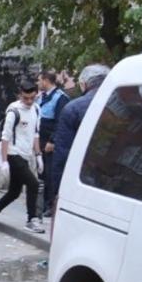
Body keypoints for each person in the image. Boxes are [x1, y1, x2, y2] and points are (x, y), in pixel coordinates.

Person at [0, 81, 45, 234]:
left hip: (26, 154)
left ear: (36, 95)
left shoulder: (36, 109)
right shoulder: (13, 111)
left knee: (14, 192)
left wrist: (38, 155)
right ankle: (32, 220)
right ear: (20, 95)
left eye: (32, 98)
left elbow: (35, 134)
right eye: (25, 98)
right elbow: (5, 137)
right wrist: (4, 162)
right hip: (12, 154)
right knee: (33, 184)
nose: (29, 102)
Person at [48, 64, 110, 209]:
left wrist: (56, 192)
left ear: (83, 84)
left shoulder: (73, 108)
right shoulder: (124, 105)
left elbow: (63, 154)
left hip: (81, 184)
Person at [37, 71, 70, 216]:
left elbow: (60, 122)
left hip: (50, 141)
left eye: (39, 81)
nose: (37, 84)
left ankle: (51, 204)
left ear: (45, 81)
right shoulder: (41, 97)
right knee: (42, 172)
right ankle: (43, 204)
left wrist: (52, 140)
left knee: (51, 174)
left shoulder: (60, 98)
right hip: (40, 139)